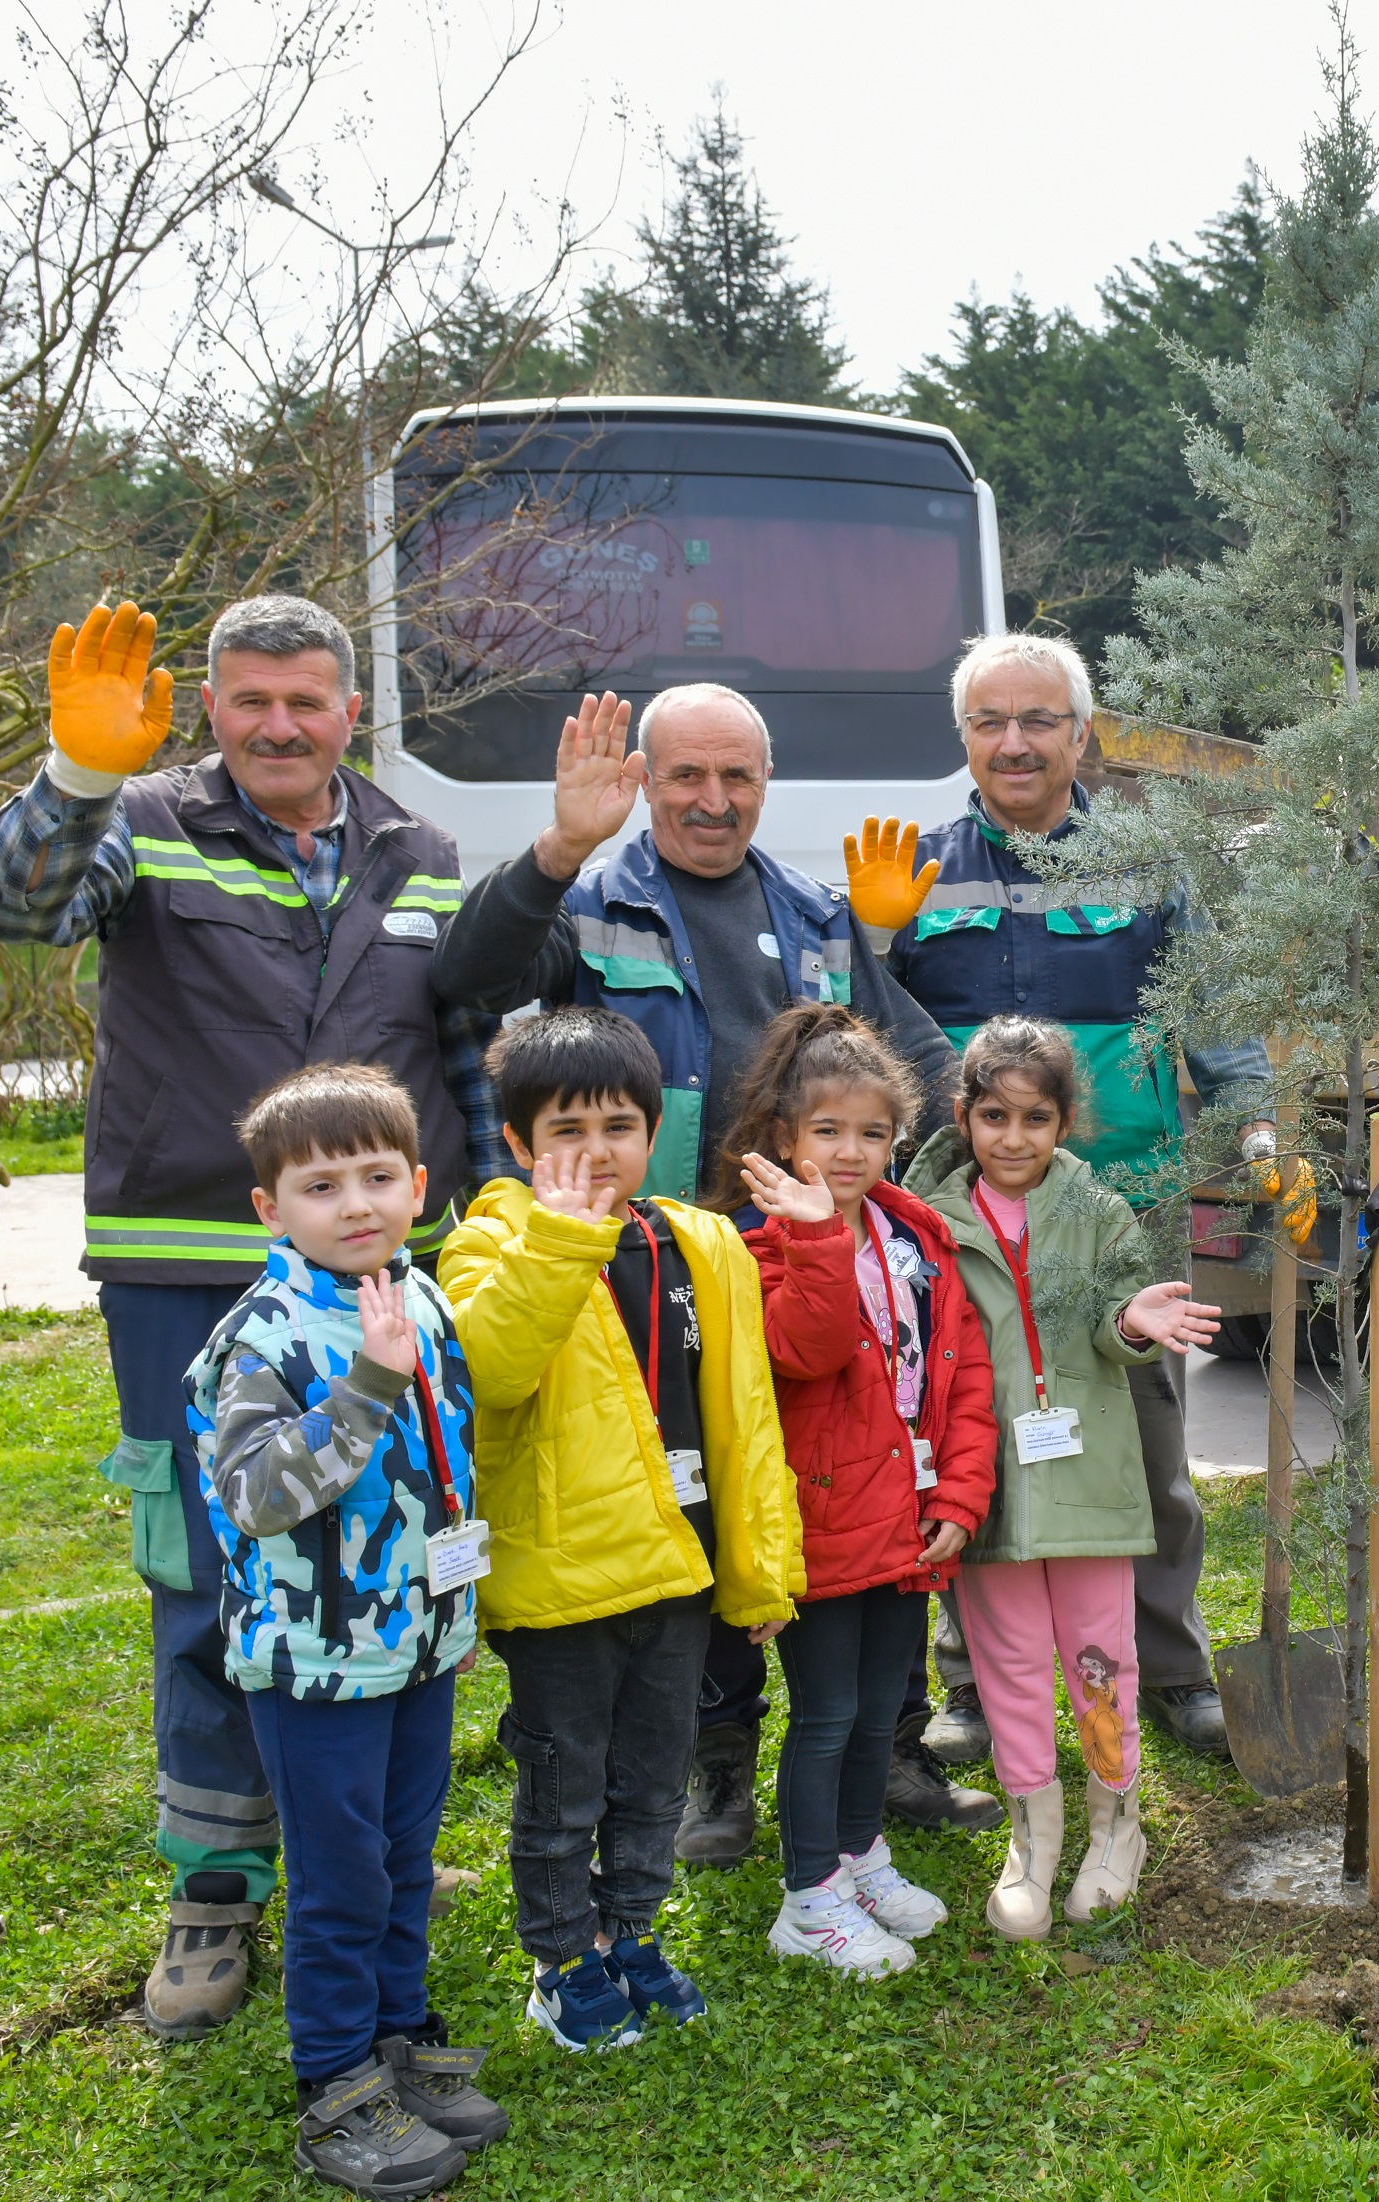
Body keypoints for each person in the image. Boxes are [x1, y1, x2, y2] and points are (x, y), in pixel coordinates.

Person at [0, 597, 510, 2042]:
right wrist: (75, 775)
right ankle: (214, 1882)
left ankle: (362, 1839)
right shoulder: (139, 821)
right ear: (210, 705)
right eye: (250, 699)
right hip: (186, 1262)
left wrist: (500, 1214)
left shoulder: (419, 853)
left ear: (348, 711)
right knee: (212, 1575)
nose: (279, 724)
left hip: (381, 1284)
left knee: (382, 1548)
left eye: (306, 701)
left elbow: (460, 1055)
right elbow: (8, 912)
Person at [430, 683, 978, 1859]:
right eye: (686, 777)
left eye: (737, 779)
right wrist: (559, 843)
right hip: (666, 1261)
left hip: (812, 1253)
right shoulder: (595, 902)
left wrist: (938, 1174)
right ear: (646, 780)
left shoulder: (817, 915)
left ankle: (886, 1742)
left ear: (764, 786)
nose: (714, 802)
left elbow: (913, 1054)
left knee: (853, 1482)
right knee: (709, 1493)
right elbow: (471, 976)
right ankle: (716, 1765)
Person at [847, 633, 1303, 1770]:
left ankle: (1171, 1670)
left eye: (1040, 720)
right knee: (965, 1436)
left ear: (1080, 733)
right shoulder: (913, 867)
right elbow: (848, 1045)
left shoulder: (1153, 864)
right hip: (957, 1219)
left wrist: (1259, 1137)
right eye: (992, 722)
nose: (1015, 742)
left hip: (1127, 1211)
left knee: (1144, 1446)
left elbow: (1225, 1028)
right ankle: (968, 1686)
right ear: (963, 737)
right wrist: (862, 937)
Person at [440, 1009, 803, 2051]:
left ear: (654, 1131)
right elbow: (492, 1369)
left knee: (654, 1777)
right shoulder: (492, 1242)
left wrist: (760, 1568)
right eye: (564, 1131)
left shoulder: (700, 1242)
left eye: (617, 1126)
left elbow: (745, 1416)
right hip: (564, 1588)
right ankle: (562, 1963)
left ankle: (633, 1936)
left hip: (676, 1578)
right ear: (516, 1144)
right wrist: (560, 1238)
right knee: (564, 1786)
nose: (593, 1153)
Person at [186, 1065, 504, 2198]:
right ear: (270, 1207)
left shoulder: (416, 1296)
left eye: (379, 1176)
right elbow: (261, 1498)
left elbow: (450, 1460)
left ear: (418, 1184)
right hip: (317, 1664)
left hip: (417, 1646)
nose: (357, 1204)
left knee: (404, 1860)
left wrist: (460, 1602)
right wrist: (366, 1385)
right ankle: (335, 2085)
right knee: (339, 1876)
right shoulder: (261, 1337)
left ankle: (399, 2037)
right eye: (322, 1185)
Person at [905, 1019, 1222, 1939]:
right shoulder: (927, 1219)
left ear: (1065, 1121)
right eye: (994, 1115)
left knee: (1097, 1660)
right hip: (986, 1481)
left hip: (1086, 1480)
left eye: (1035, 1117)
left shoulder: (1100, 1210)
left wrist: (1128, 1322)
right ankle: (1030, 1838)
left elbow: (1107, 1332)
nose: (1014, 1138)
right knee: (1004, 1662)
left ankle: (1113, 1821)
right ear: (964, 1117)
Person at [713, 1005, 1000, 1982]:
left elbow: (960, 1375)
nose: (849, 1150)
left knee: (882, 1710)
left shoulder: (917, 1236)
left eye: (871, 1132)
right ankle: (807, 1898)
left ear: (899, 1137)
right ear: (784, 1138)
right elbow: (811, 1346)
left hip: (907, 1520)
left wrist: (959, 1494)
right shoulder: (755, 1247)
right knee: (827, 1712)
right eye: (826, 1132)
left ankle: (856, 1854)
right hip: (822, 1527)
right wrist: (817, 1240)